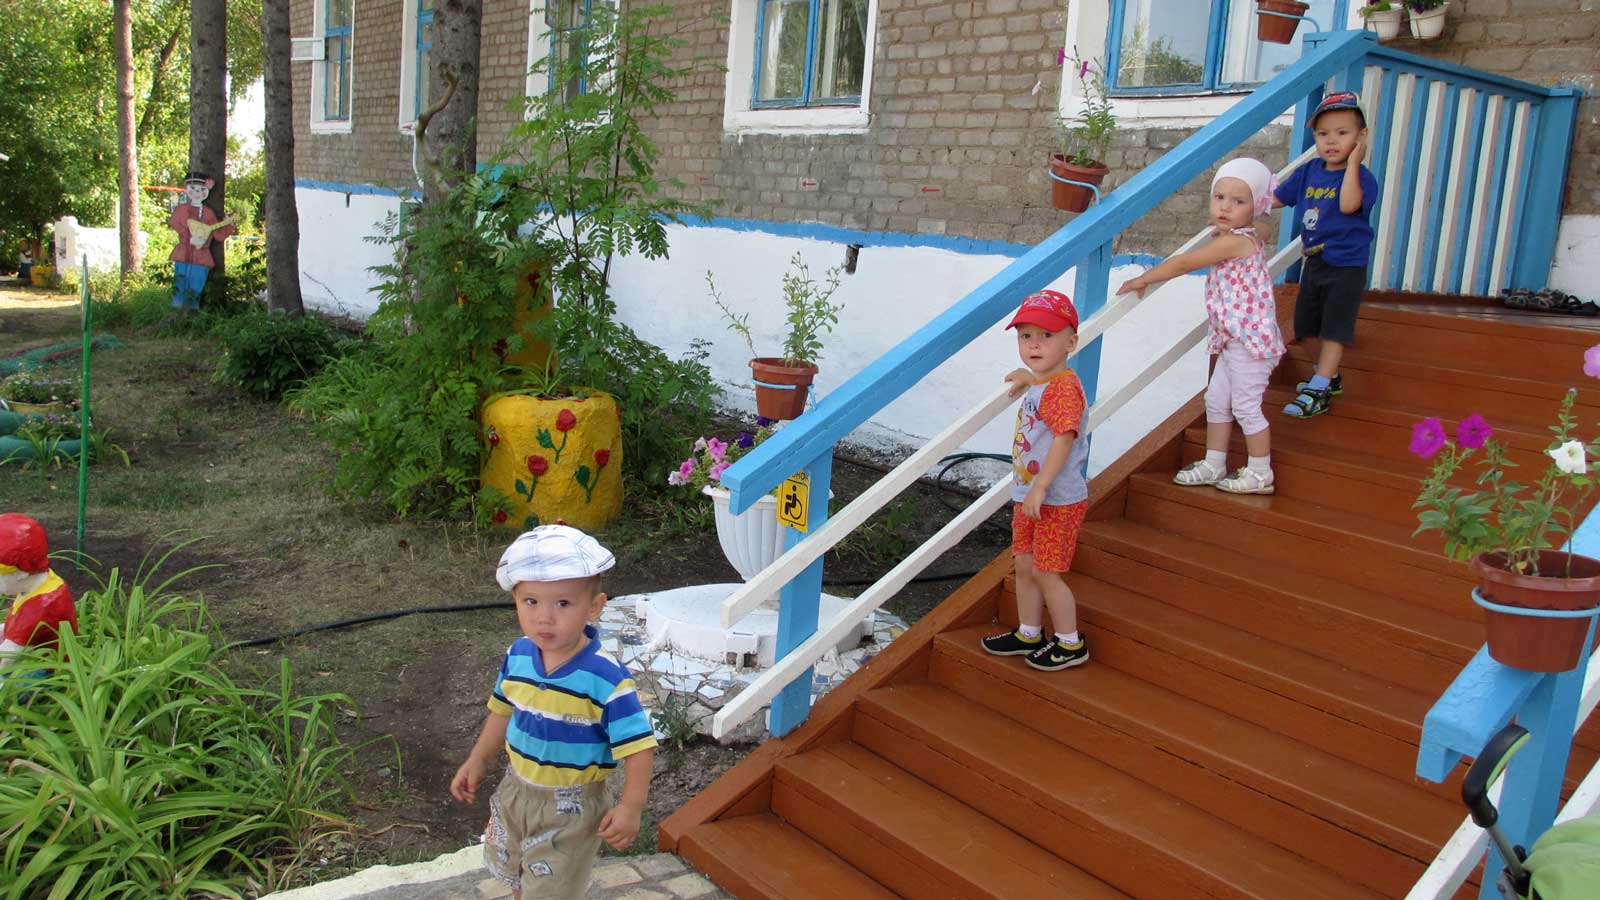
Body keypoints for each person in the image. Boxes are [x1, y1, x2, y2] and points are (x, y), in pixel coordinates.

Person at [450, 525, 656, 900]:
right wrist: (478, 759)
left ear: (594, 606)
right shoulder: (518, 656)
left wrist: (631, 806)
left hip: (571, 808)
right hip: (516, 790)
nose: (544, 617)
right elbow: (502, 710)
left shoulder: (605, 678)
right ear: (515, 600)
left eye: (562, 604)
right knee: (518, 876)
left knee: (550, 889)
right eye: (531, 601)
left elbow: (639, 747)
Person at [1116, 157, 1287, 495]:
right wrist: (1233, 223)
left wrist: (1144, 278)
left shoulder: (1235, 242)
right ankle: (1214, 463)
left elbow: (1184, 262)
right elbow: (1265, 228)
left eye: (1239, 201)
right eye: (1219, 197)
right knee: (1216, 400)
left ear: (1255, 207)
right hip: (1234, 341)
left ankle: (1260, 472)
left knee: (1245, 406)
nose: (1225, 207)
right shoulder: (1248, 233)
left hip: (1252, 345)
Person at [980, 289, 1091, 671]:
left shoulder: (1063, 389)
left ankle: (1070, 643)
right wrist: (1029, 379)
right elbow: (1044, 395)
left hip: (1054, 500)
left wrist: (1041, 487)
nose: (1034, 344)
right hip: (1030, 496)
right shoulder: (1047, 383)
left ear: (1070, 343)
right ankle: (1029, 631)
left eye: (1046, 335)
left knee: (1046, 572)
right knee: (1025, 566)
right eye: (1025, 335)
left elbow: (1063, 438)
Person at [1273, 90, 1380, 419]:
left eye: (1342, 133)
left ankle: (1319, 388)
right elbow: (1277, 198)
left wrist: (1353, 164)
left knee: (1335, 327)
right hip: (1315, 261)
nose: (1331, 141)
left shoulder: (1363, 178)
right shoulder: (1308, 171)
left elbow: (1348, 205)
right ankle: (1328, 376)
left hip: (1347, 264)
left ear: (1360, 137)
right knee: (1305, 329)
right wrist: (1240, 202)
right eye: (1323, 134)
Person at [0, 513, 78, 673]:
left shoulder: (41, 606)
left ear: (21, 572)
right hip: (30, 653)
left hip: (45, 670)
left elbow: (8, 656)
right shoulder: (41, 583)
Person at [166, 171, 235, 311]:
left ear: (207, 190)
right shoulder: (181, 210)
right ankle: (177, 312)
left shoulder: (208, 213)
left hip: (202, 256)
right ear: (187, 189)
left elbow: (218, 235)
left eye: (202, 189)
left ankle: (191, 311)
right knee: (180, 282)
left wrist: (229, 225)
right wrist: (188, 237)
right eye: (193, 188)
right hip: (183, 253)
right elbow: (174, 223)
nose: (197, 192)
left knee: (196, 284)